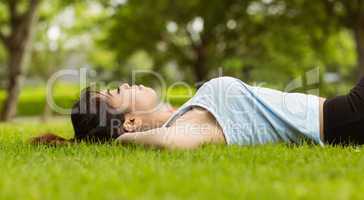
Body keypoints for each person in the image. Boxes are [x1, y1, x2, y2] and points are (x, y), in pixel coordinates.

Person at [31, 76, 364, 149]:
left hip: (346, 111)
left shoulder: (194, 109)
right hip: (350, 117)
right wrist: (122, 141)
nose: (124, 84)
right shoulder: (196, 119)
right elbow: (171, 141)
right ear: (130, 120)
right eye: (117, 93)